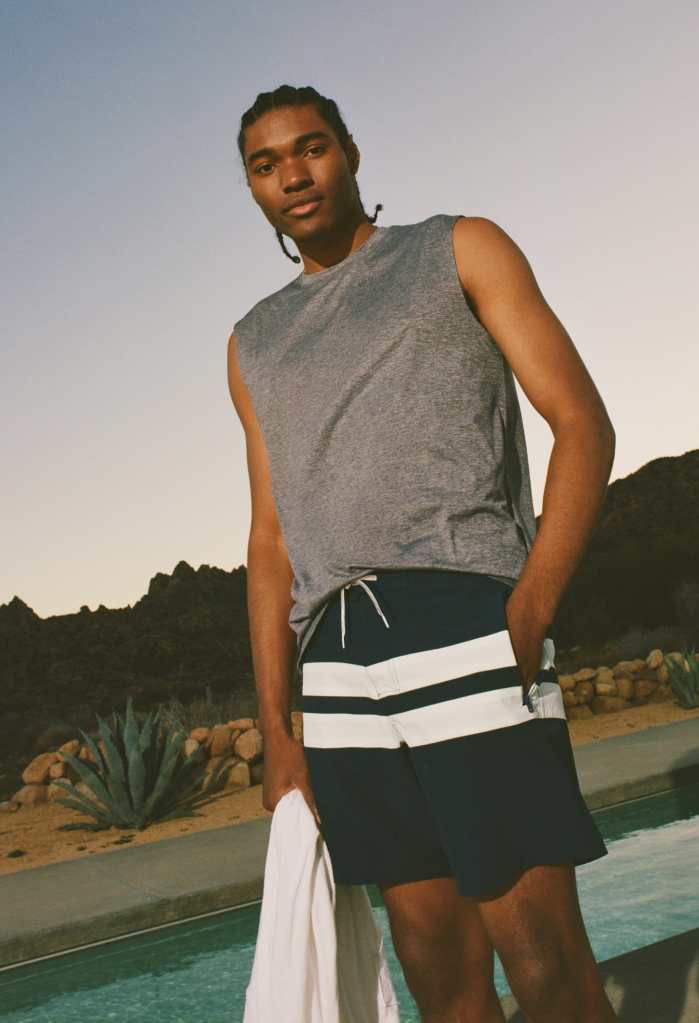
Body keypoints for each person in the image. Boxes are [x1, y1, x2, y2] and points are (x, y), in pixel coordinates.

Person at [227, 83, 618, 1023]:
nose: (293, 175)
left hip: (462, 617)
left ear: (351, 151)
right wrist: (280, 732)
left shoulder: (457, 247)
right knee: (436, 971)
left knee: (544, 963)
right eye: (266, 163)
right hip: (337, 663)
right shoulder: (252, 343)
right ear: (252, 187)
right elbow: (271, 539)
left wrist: (524, 610)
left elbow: (582, 426)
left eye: (310, 149)